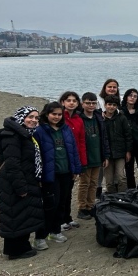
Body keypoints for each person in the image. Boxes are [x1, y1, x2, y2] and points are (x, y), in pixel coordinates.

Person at [0, 106, 45, 259]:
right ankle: (15, 250)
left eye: (36, 118)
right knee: (13, 214)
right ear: (20, 117)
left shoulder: (24, 134)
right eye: (30, 117)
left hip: (24, 179)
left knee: (21, 214)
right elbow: (12, 164)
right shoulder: (12, 136)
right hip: (13, 182)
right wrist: (21, 187)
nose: (34, 120)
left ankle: (20, 247)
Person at [35, 102, 82, 243]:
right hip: (50, 174)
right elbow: (37, 155)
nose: (56, 117)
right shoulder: (40, 131)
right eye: (53, 114)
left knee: (62, 202)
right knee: (50, 205)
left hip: (66, 172)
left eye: (59, 114)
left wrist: (76, 169)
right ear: (46, 114)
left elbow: (73, 150)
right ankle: (40, 236)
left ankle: (55, 230)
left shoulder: (66, 129)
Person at [78, 92, 109, 220]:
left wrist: (105, 156)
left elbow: (104, 138)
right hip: (85, 157)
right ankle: (82, 207)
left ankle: (90, 206)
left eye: (93, 103)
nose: (91, 105)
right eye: (88, 103)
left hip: (97, 156)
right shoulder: (79, 118)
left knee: (94, 183)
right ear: (82, 104)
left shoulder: (98, 118)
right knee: (84, 183)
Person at [59, 91, 86, 227]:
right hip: (61, 158)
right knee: (60, 192)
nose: (71, 103)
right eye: (68, 100)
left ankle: (67, 217)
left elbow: (81, 141)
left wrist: (81, 161)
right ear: (63, 102)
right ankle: (60, 220)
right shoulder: (59, 117)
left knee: (69, 189)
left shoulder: (78, 119)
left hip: (74, 158)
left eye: (74, 100)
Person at [102, 95, 133, 194]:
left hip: (120, 152)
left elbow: (128, 135)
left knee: (121, 177)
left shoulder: (121, 118)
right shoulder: (101, 119)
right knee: (109, 180)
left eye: (114, 105)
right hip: (107, 154)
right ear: (105, 105)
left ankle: (122, 197)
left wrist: (128, 151)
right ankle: (111, 198)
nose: (111, 107)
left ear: (117, 106)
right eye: (109, 104)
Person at [120, 88, 138, 189]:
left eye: (135, 96)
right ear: (126, 97)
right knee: (129, 169)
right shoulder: (120, 112)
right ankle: (131, 190)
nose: (132, 98)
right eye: (130, 95)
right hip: (126, 145)